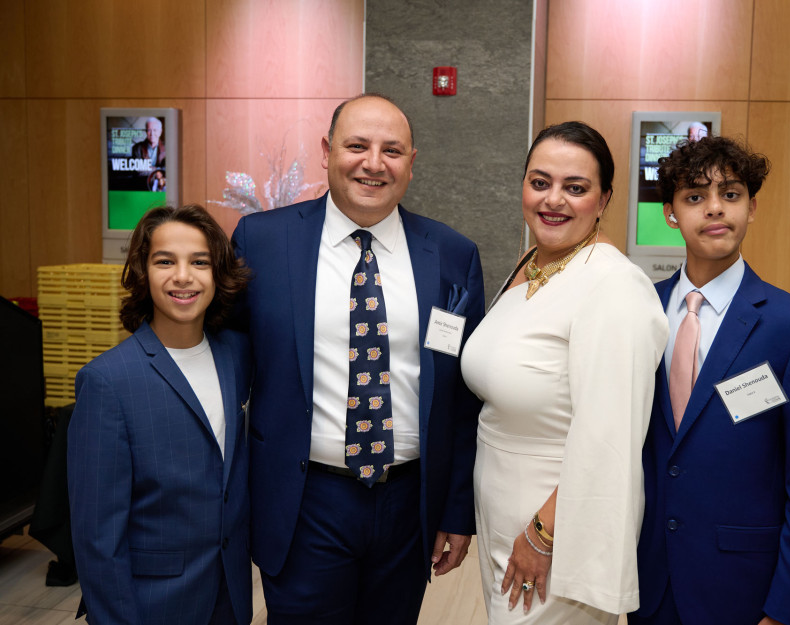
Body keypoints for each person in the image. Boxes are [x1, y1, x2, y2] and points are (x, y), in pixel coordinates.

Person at [231, 93, 484, 624]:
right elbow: (228, 370)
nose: (373, 163)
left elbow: (464, 400)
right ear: (326, 151)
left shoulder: (453, 254)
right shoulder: (262, 241)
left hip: (409, 505)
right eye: (357, 145)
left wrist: (458, 510)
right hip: (305, 500)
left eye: (392, 150)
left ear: (412, 163)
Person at [461, 121, 669, 624]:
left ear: (603, 200)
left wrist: (544, 534)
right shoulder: (531, 265)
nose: (553, 200)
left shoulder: (614, 286)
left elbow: (609, 436)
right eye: (540, 182)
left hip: (557, 525)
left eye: (575, 188)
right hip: (502, 510)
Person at [629, 136, 790, 625]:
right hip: (647, 574)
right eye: (695, 196)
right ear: (671, 214)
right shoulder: (638, 309)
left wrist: (789, 607)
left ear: (752, 207)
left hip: (742, 585)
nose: (715, 209)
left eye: (732, 194)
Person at [68, 205, 253, 625]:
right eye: (165, 261)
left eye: (200, 262)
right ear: (142, 271)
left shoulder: (237, 356)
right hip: (153, 602)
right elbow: (97, 537)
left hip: (230, 593)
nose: (183, 276)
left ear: (218, 274)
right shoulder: (107, 381)